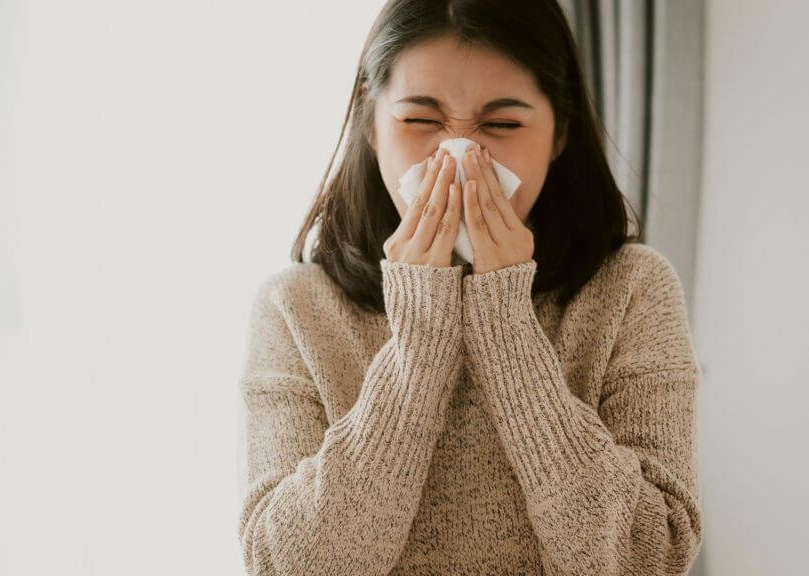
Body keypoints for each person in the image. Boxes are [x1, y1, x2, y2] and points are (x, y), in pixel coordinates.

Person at [237, 1, 703, 574]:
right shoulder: (295, 308)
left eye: (503, 125)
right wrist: (420, 337)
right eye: (420, 122)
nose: (459, 159)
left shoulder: (633, 290)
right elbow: (290, 566)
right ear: (371, 124)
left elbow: (647, 558)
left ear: (559, 133)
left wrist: (505, 322)